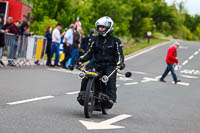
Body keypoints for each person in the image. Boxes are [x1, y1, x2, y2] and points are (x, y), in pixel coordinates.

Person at [77, 16, 125, 109]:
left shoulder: (115, 41)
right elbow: (88, 53)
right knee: (86, 75)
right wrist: (80, 60)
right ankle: (83, 95)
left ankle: (110, 99)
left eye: (102, 27)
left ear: (109, 27)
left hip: (110, 65)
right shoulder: (94, 40)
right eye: (99, 27)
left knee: (110, 79)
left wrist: (120, 63)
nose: (100, 29)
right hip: (97, 64)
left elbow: (120, 54)